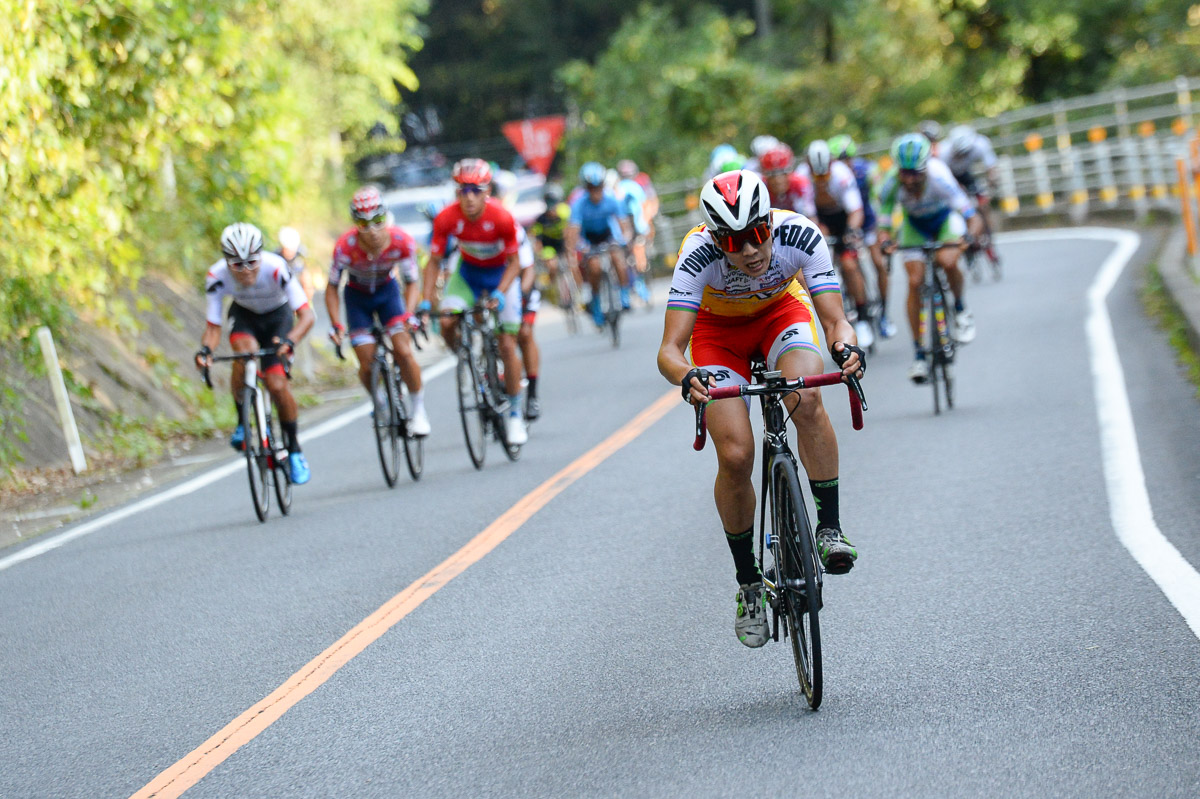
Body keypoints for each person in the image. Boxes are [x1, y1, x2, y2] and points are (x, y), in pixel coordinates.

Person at [656, 169, 864, 648]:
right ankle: (749, 583)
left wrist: (846, 350)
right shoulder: (697, 254)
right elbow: (670, 349)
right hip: (717, 336)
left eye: (756, 234)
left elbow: (836, 320)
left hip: (780, 315)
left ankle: (828, 528)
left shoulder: (800, 234)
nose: (749, 250)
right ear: (715, 238)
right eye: (733, 241)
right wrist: (687, 376)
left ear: (770, 222)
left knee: (807, 396)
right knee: (734, 455)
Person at [195, 223, 315, 484]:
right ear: (226, 262)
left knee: (277, 384)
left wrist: (291, 341)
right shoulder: (216, 276)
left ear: (261, 255)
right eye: (237, 265)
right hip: (245, 317)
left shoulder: (276, 267)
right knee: (243, 355)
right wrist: (205, 351)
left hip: (278, 318)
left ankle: (294, 449)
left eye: (252, 262)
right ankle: (242, 423)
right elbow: (213, 327)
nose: (246, 270)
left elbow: (306, 315)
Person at [419, 158, 528, 446]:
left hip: (501, 277)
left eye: (475, 191)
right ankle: (466, 358)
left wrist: (501, 292)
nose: (468, 198)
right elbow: (433, 263)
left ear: (487, 191)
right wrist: (426, 301)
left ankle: (516, 414)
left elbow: (516, 263)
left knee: (506, 343)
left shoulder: (502, 217)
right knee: (446, 321)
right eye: (462, 191)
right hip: (467, 275)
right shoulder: (446, 218)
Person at [876, 134, 984, 383]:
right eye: (905, 173)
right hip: (915, 226)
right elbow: (884, 221)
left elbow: (971, 215)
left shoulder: (939, 177)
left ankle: (960, 308)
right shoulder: (891, 182)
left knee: (947, 260)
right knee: (914, 282)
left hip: (944, 221)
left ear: (926, 167)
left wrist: (969, 236)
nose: (910, 179)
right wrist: (885, 240)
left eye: (916, 173)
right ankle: (919, 355)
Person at [325, 186, 431, 436]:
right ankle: (380, 401)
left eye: (378, 220)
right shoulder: (345, 247)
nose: (372, 230)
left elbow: (412, 281)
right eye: (364, 224)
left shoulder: (401, 241)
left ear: (386, 216)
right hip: (357, 297)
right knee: (366, 360)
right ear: (355, 224)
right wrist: (336, 324)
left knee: (404, 351)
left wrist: (409, 313)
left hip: (388, 295)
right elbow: (331, 287)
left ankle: (418, 410)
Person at [800, 139, 876, 350]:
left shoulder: (842, 174)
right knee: (817, 258)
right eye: (818, 176)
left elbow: (855, 210)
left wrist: (851, 232)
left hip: (844, 219)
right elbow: (809, 214)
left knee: (850, 265)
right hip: (821, 221)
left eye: (825, 175)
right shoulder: (803, 176)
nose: (822, 180)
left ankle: (862, 316)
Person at [827, 134, 897, 338]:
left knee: (879, 263)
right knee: (849, 266)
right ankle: (861, 307)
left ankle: (884, 311)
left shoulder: (867, 170)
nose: (844, 164)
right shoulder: (833, 177)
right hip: (846, 223)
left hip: (868, 222)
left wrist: (881, 227)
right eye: (839, 160)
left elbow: (880, 198)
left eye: (847, 159)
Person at [565, 161, 633, 329]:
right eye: (591, 188)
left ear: (603, 185)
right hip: (589, 238)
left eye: (599, 187)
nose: (596, 192)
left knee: (618, 259)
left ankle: (624, 296)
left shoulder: (611, 200)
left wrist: (625, 239)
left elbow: (624, 225)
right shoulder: (579, 205)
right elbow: (573, 232)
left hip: (607, 235)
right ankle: (595, 302)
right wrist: (576, 247)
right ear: (586, 189)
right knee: (594, 267)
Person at [943, 124, 1002, 270]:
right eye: (959, 154)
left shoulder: (981, 144)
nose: (963, 156)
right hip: (950, 177)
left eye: (965, 153)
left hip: (966, 175)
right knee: (960, 206)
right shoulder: (944, 152)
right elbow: (943, 179)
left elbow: (991, 168)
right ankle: (965, 234)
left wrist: (992, 182)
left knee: (983, 203)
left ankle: (988, 236)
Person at [614, 164, 651, 303]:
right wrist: (645, 227)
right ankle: (639, 282)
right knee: (637, 252)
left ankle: (626, 290)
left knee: (623, 257)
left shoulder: (618, 188)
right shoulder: (636, 187)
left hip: (624, 225)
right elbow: (643, 207)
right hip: (634, 224)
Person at [276, 227, 314, 302]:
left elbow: (307, 280)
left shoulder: (301, 255)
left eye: (292, 249)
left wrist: (305, 301)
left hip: (299, 292)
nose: (290, 252)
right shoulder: (276, 257)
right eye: (287, 249)